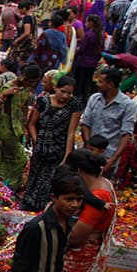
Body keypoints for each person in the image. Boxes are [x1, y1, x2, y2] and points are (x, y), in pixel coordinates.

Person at [20, 74, 83, 211]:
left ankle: (46, 209)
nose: (65, 96)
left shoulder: (74, 105)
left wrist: (67, 156)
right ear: (56, 88)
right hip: (41, 149)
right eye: (63, 91)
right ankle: (29, 205)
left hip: (58, 150)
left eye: (69, 93)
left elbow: (71, 132)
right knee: (34, 178)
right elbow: (32, 124)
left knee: (51, 180)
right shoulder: (43, 101)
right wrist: (37, 141)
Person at [0, 63, 40, 190]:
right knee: (21, 160)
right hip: (6, 129)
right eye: (31, 81)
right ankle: (9, 185)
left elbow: (23, 109)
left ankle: (4, 185)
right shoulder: (8, 88)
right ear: (24, 77)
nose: (33, 84)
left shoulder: (25, 89)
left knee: (9, 158)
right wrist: (4, 96)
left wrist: (25, 128)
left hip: (18, 130)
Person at [80, 67, 136, 176]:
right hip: (87, 155)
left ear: (110, 84)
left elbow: (126, 134)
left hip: (107, 157)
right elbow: (85, 122)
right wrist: (89, 146)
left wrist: (112, 160)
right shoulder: (94, 98)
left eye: (101, 81)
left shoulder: (127, 105)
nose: (97, 83)